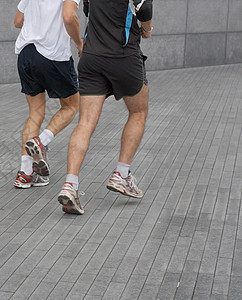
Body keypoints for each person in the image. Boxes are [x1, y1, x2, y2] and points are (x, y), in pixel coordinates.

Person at [58, 0, 153, 214]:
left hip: (91, 55)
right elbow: (145, 8)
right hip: (123, 55)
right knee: (138, 112)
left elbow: (87, 10)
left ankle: (70, 185)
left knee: (85, 123)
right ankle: (121, 173)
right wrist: (147, 29)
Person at [13, 0, 83, 189]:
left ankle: (25, 173)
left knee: (35, 114)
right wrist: (79, 43)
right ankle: (41, 142)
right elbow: (69, 17)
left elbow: (18, 21)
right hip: (53, 55)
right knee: (71, 106)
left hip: (26, 53)